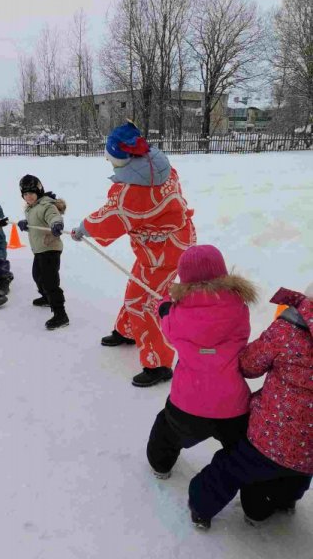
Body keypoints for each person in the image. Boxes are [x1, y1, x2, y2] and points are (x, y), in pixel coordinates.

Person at [71, 121, 196, 387]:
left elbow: (111, 218)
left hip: (163, 253)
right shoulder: (159, 167)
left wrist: (83, 228)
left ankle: (158, 363)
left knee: (143, 302)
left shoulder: (133, 193)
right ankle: (127, 330)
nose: (108, 161)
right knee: (137, 286)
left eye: (110, 157)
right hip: (165, 244)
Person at [188, 285, 313, 530]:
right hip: (309, 452)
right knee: (296, 471)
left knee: (232, 468)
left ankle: (201, 507)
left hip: (270, 437)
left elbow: (249, 365)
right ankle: (281, 501)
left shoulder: (287, 331)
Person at [147, 245, 257, 483]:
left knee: (165, 432)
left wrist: (164, 307)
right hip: (233, 405)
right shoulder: (239, 308)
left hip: (186, 404)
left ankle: (160, 466)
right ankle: (249, 485)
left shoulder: (177, 315)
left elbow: (168, 328)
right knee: (240, 447)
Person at [17, 174, 68, 330]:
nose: (28, 197)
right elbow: (36, 224)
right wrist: (26, 224)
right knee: (37, 276)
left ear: (38, 191)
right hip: (39, 249)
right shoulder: (31, 208)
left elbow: (53, 216)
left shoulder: (47, 205)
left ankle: (60, 314)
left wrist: (57, 224)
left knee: (50, 281)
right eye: (25, 194)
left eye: (31, 193)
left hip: (50, 248)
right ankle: (47, 298)